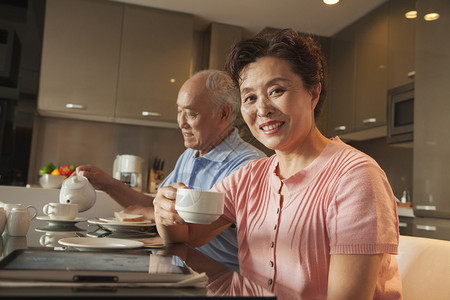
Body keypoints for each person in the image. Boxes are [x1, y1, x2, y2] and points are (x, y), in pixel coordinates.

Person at [153, 29, 402, 299]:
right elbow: (186, 236)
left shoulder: (355, 177)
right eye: (250, 97)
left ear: (313, 93)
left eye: (276, 90)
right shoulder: (249, 177)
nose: (262, 109)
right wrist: (165, 212)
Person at [76, 70, 266, 272]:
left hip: (222, 277)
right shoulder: (190, 155)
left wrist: (146, 213)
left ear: (223, 114)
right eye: (179, 111)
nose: (181, 122)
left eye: (191, 114)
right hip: (181, 267)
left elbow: (189, 231)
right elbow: (159, 206)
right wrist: (107, 184)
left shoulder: (248, 165)